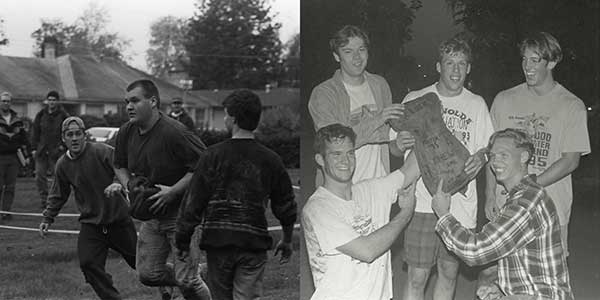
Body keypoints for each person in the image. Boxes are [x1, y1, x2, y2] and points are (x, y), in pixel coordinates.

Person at [175, 90, 297, 300]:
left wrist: (182, 240)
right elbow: (285, 205)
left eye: (225, 114)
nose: (224, 118)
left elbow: (193, 203)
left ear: (232, 119)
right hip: (253, 242)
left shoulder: (212, 156)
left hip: (218, 242)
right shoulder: (271, 160)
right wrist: (286, 239)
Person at [398, 37, 494, 300]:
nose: (456, 70)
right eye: (450, 63)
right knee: (417, 276)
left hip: (460, 206)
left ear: (469, 68)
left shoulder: (476, 104)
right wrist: (399, 142)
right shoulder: (416, 99)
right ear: (438, 66)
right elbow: (396, 150)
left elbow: (487, 148)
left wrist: (481, 157)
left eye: (462, 64)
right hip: (421, 202)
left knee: (449, 272)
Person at [432, 128, 573, 300]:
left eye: (503, 155)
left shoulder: (525, 203)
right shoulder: (525, 194)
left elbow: (475, 251)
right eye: (492, 156)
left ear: (523, 157)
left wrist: (443, 215)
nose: (495, 162)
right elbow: (524, 260)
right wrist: (503, 290)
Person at [485, 32, 591, 255]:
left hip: (549, 207)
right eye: (524, 59)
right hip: (506, 208)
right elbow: (491, 154)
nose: (527, 66)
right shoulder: (504, 100)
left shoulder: (571, 105)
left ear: (552, 62)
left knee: (548, 279)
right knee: (495, 278)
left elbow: (571, 161)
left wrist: (527, 188)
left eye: (535, 60)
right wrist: (489, 194)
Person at [114, 79, 210, 300]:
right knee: (147, 274)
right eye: (127, 102)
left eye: (135, 101)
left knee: (188, 282)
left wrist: (173, 191)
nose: (129, 106)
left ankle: (194, 275)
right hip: (152, 215)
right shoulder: (126, 132)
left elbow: (204, 167)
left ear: (153, 101)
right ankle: (198, 271)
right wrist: (130, 184)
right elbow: (118, 164)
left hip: (182, 215)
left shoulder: (174, 132)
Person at [302, 123, 420, 300]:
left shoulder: (370, 190)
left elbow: (410, 170)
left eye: (350, 153)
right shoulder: (317, 208)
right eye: (336, 154)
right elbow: (367, 251)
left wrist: (427, 130)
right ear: (320, 159)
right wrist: (405, 214)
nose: (345, 161)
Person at [39, 117, 137, 300]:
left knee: (143, 265)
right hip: (92, 224)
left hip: (118, 220)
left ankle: (175, 279)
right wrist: (47, 218)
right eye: (70, 135)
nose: (74, 138)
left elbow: (122, 167)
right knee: (88, 263)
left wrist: (118, 183)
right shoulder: (63, 165)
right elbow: (58, 194)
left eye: (78, 134)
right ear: (64, 138)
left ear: (85, 136)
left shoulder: (102, 151)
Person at [308, 25, 406, 184]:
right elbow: (334, 145)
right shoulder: (323, 94)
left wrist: (400, 145)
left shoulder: (380, 85)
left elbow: (389, 143)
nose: (357, 57)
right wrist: (376, 120)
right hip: (341, 189)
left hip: (378, 186)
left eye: (361, 49)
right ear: (336, 56)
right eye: (348, 51)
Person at [31, 90, 69, 209]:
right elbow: (35, 132)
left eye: (54, 100)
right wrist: (33, 148)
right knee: (39, 176)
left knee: (57, 178)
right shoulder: (41, 114)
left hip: (56, 151)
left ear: (57, 101)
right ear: (47, 101)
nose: (51, 102)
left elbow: (67, 131)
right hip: (41, 151)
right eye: (50, 100)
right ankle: (44, 199)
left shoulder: (63, 115)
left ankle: (55, 200)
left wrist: (63, 146)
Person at [0, 91, 30, 221]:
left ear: (11, 103)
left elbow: (24, 139)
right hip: (0, 157)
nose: (6, 103)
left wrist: (28, 154)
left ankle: (6, 212)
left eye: (8, 101)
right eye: (3, 101)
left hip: (14, 157)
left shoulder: (17, 120)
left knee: (10, 187)